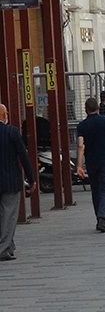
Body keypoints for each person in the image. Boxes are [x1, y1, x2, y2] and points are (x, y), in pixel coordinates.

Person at [76, 98, 105, 233]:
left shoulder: (82, 125)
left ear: (86, 109)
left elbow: (80, 146)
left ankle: (98, 217)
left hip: (91, 161)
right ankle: (102, 217)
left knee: (95, 190)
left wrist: (79, 165)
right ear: (97, 108)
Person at [0, 104, 36, 261]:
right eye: (6, 112)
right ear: (3, 115)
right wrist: (31, 179)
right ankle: (3, 248)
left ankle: (9, 246)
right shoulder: (12, 132)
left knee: (3, 216)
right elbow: (24, 156)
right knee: (9, 215)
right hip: (10, 181)